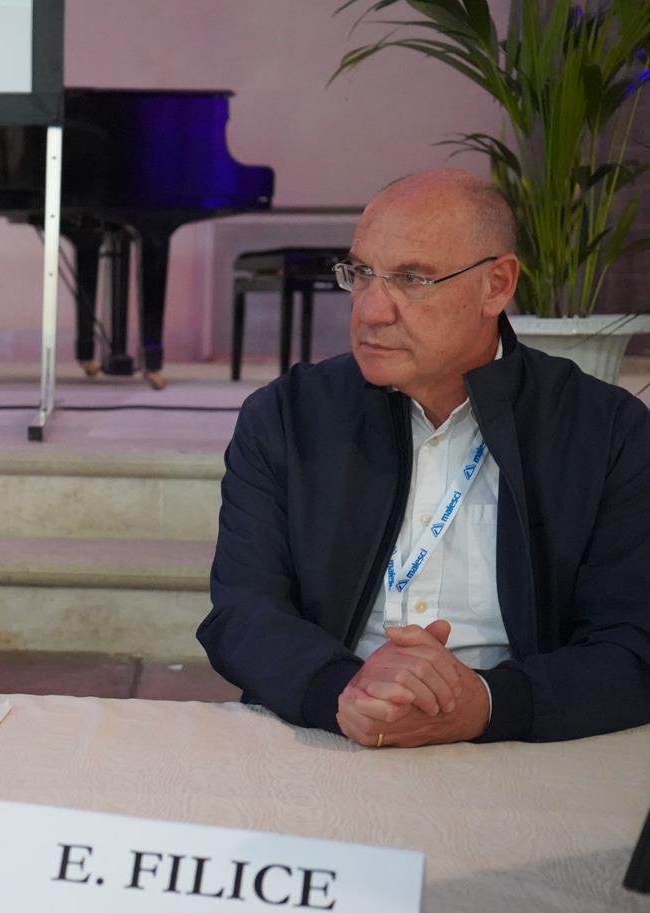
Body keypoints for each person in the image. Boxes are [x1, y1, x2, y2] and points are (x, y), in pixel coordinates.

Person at [197, 168, 650, 747]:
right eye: (361, 273)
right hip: (327, 734)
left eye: (411, 279)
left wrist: (487, 704)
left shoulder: (604, 430)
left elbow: (633, 643)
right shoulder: (288, 416)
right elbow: (242, 614)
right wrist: (345, 692)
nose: (371, 310)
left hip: (518, 747)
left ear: (496, 285)